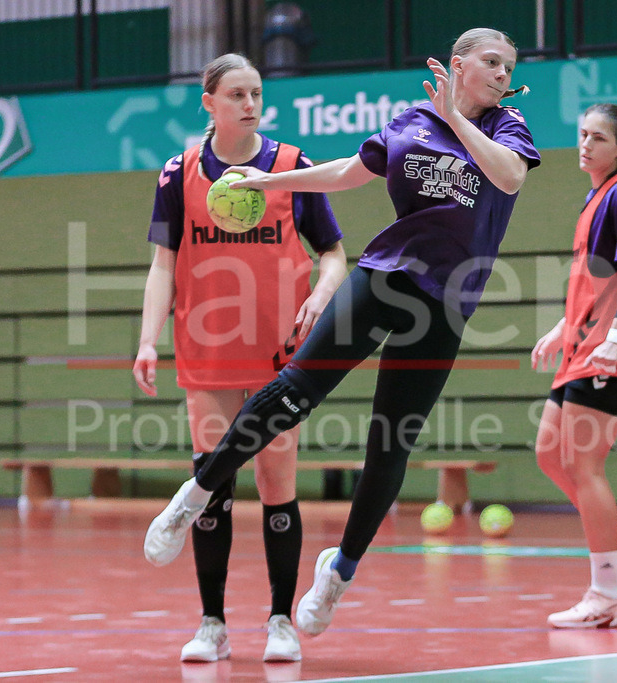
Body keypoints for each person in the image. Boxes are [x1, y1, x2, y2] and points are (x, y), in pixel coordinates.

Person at [143, 28, 539, 641]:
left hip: (447, 302)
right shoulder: (409, 122)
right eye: (490, 62)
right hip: (385, 276)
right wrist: (266, 183)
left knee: (391, 441)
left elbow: (509, 178)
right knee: (296, 387)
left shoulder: (509, 128)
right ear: (459, 64)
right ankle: (193, 495)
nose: (500, 73)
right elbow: (348, 174)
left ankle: (339, 571)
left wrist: (456, 119)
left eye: (507, 66)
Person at [134, 53, 346, 663]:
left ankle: (280, 620)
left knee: (277, 483)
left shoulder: (290, 165)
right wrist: (148, 339)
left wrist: (319, 301)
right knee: (212, 480)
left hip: (277, 352)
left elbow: (333, 254)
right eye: (235, 94)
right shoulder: (180, 174)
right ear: (210, 103)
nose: (249, 104)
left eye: (255, 93)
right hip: (205, 350)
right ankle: (212, 625)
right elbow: (163, 266)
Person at [531, 103, 617, 628]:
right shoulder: (595, 198)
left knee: (585, 466)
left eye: (599, 137)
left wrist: (616, 338)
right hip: (583, 345)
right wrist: (565, 328)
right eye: (582, 135)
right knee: (548, 452)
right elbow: (596, 281)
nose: (586, 144)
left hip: (610, 348)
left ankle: (607, 588)